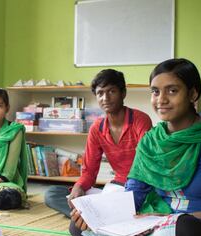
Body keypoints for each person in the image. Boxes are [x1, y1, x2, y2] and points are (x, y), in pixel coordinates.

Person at [70, 58, 201, 236]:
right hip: (157, 223)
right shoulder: (151, 140)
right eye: (155, 91)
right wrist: (97, 213)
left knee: (185, 230)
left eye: (172, 91)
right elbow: (135, 194)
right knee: (79, 226)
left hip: (197, 229)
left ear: (192, 94)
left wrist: (178, 219)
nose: (161, 100)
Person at [45, 69, 152, 217]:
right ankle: (100, 215)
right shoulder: (97, 128)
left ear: (123, 93)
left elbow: (145, 165)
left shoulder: (140, 120)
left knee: (126, 202)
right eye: (100, 93)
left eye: (111, 91)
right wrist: (79, 187)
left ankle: (92, 215)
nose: (105, 98)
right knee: (52, 193)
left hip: (139, 189)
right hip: (114, 189)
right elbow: (89, 171)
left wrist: (127, 192)